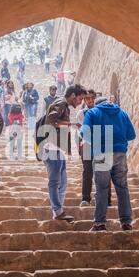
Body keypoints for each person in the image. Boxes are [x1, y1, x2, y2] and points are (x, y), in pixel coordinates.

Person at [81, 97, 136, 231]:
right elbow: (131, 135)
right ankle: (126, 222)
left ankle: (100, 223)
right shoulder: (122, 113)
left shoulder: (92, 113)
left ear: (97, 104)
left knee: (102, 189)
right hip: (120, 153)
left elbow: (85, 133)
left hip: (101, 152)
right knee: (122, 188)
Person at [42, 84, 88, 222]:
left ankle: (58, 211)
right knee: (55, 182)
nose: (80, 102)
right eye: (80, 98)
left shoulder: (63, 105)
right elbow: (50, 120)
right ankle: (57, 211)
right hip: (52, 148)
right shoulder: (61, 103)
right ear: (73, 95)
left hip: (57, 149)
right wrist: (70, 124)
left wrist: (71, 124)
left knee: (62, 182)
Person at [76, 91, 112, 207]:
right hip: (87, 144)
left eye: (92, 98)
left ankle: (106, 199)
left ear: (95, 98)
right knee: (87, 172)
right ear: (84, 100)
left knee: (104, 171)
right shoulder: (81, 113)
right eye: (87, 98)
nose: (90, 100)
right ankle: (86, 198)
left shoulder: (103, 112)